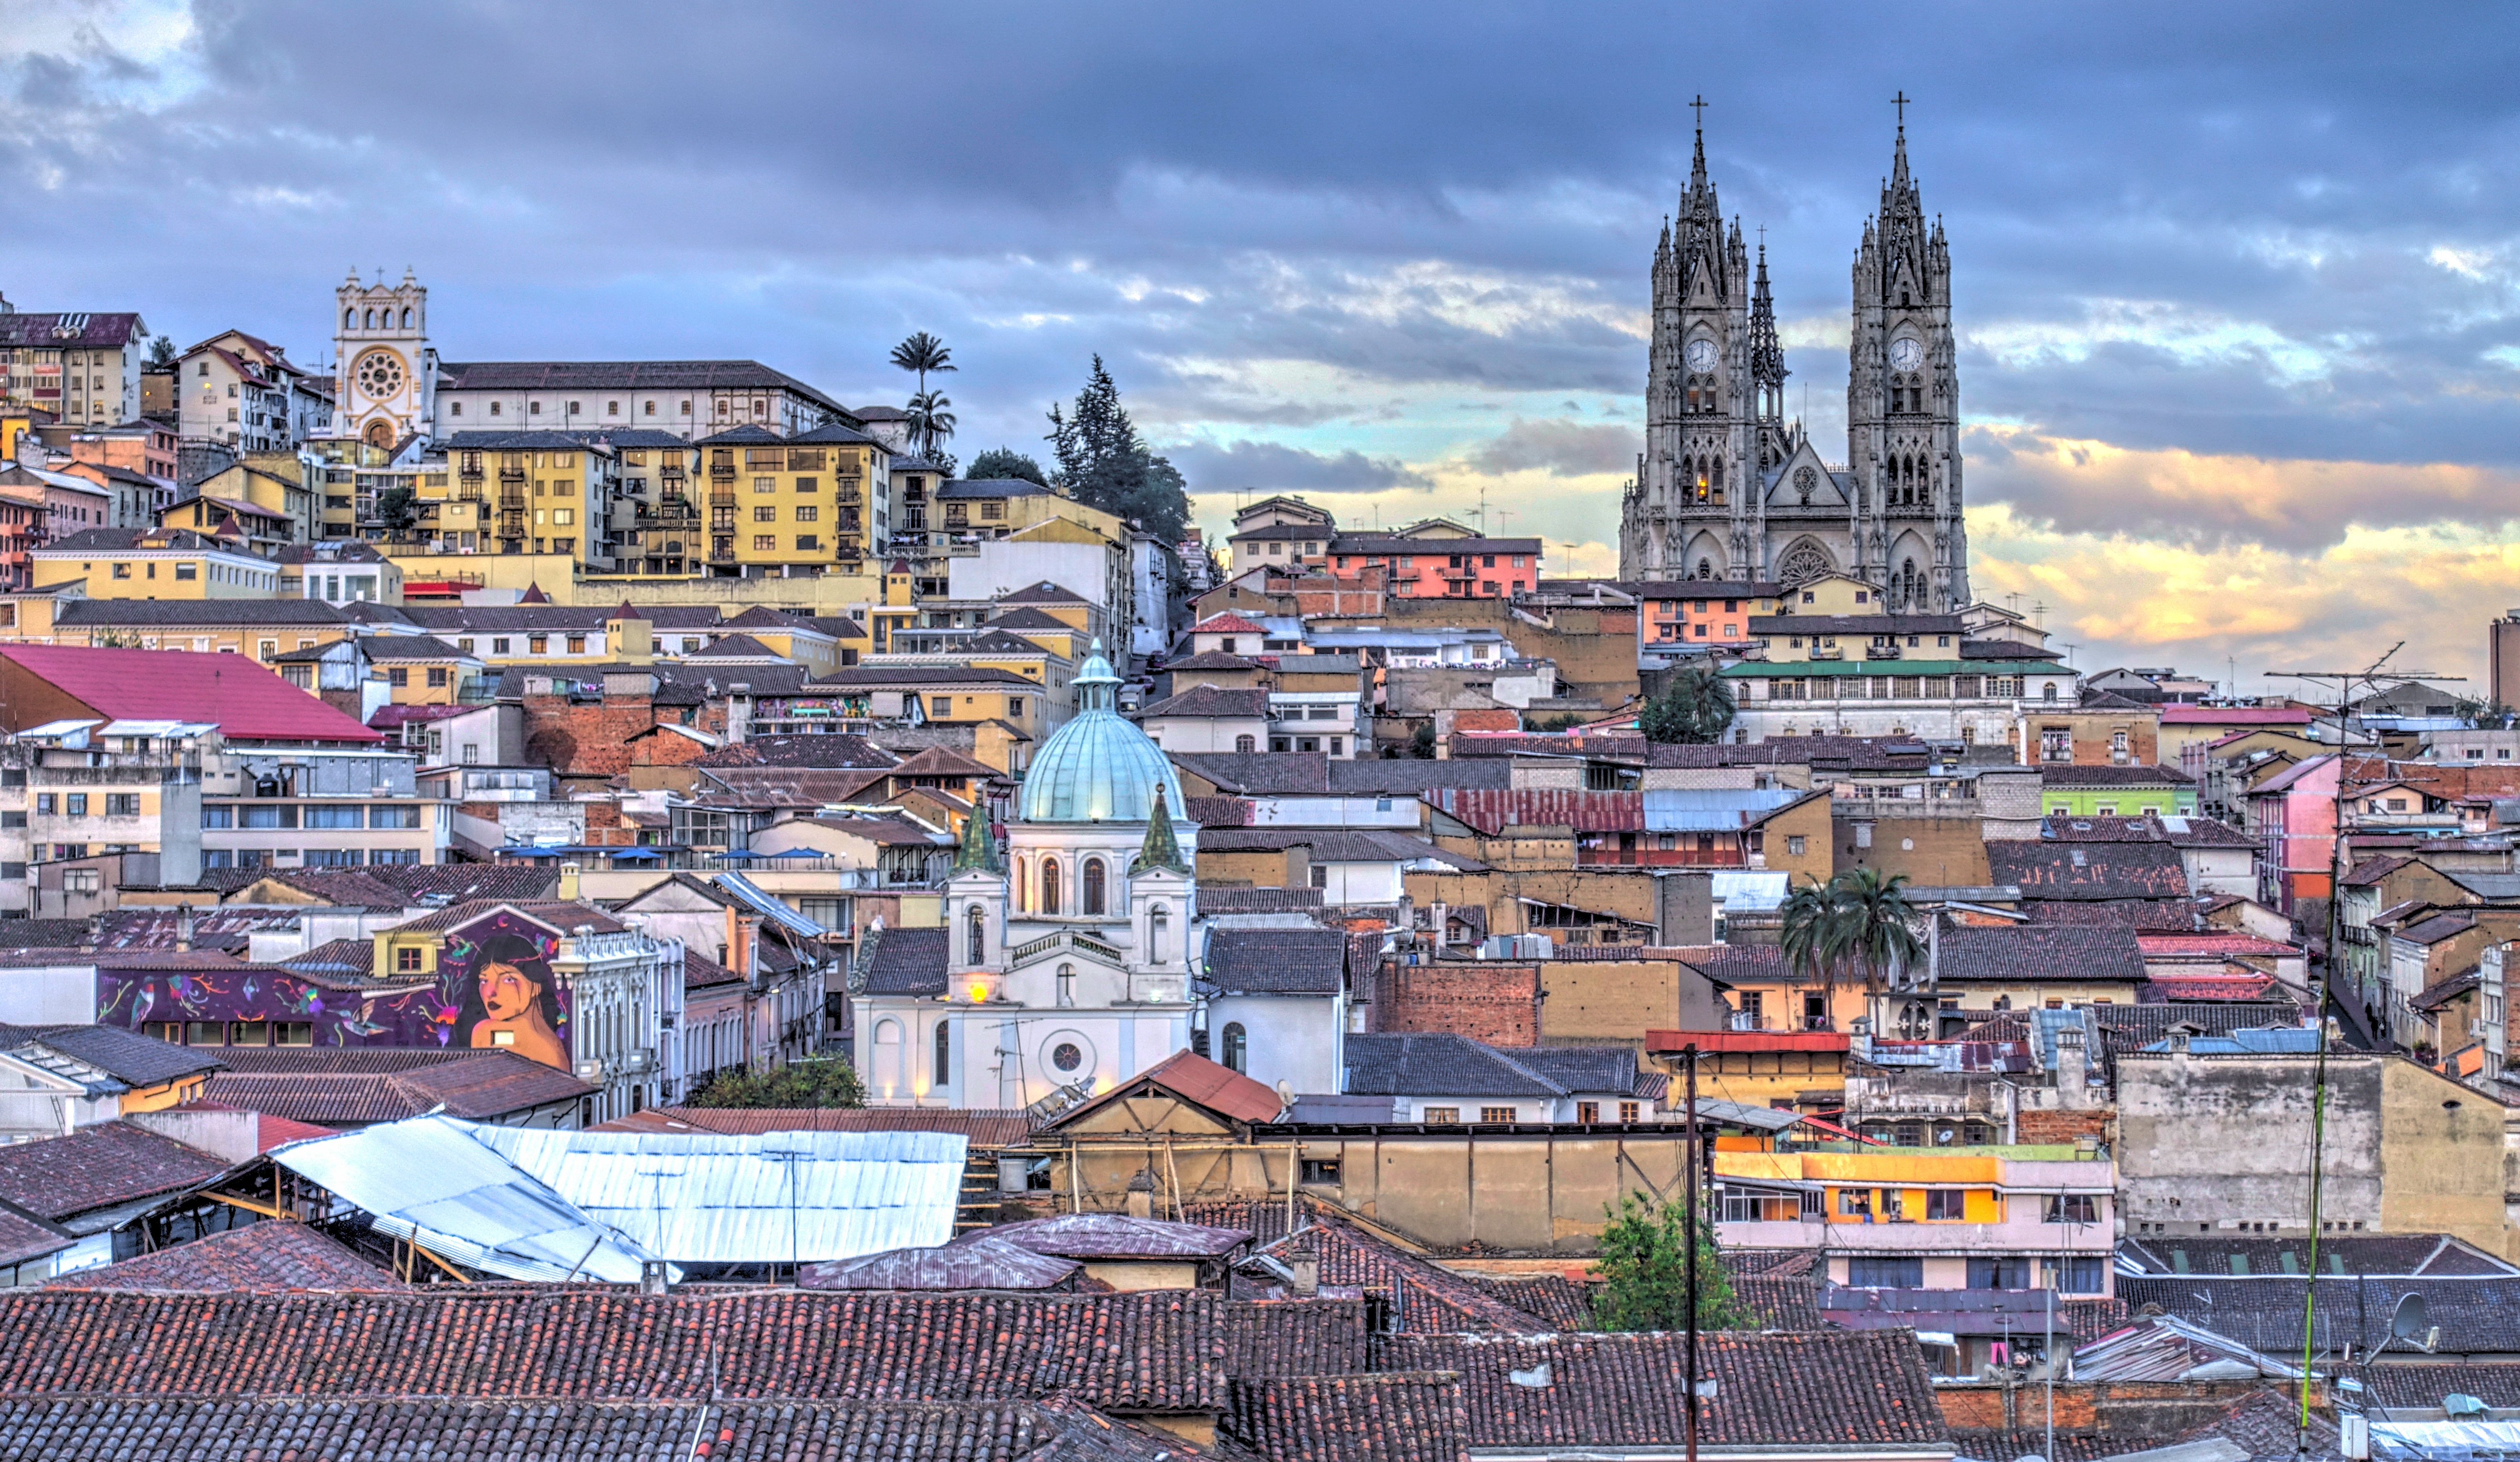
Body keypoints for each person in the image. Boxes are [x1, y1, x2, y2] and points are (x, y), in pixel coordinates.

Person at [463, 931, 567, 1067]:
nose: (490, 992)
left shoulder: (550, 1054)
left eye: (508, 979)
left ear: (535, 987)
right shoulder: (484, 1033)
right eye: (484, 981)